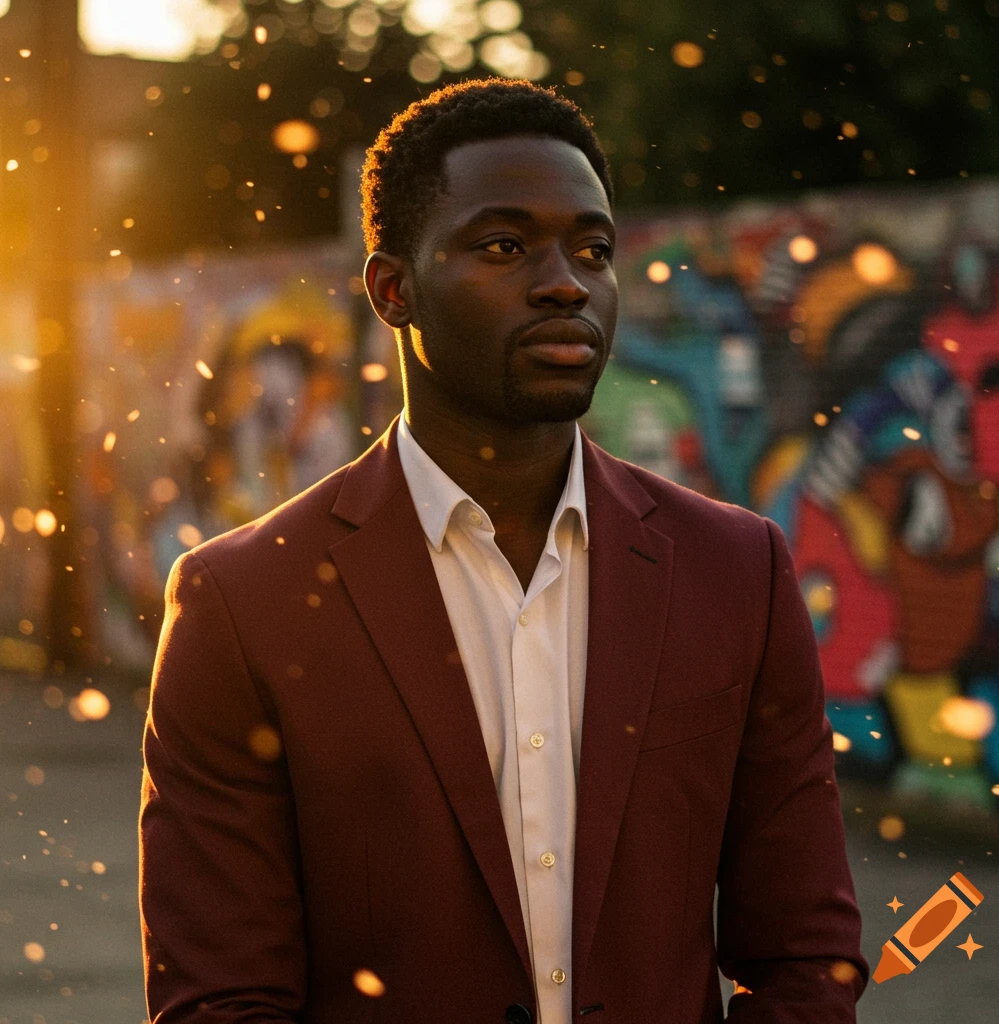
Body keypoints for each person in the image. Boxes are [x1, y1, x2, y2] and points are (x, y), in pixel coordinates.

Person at [139, 78, 868, 1024]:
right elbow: (222, 999)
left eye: (593, 249)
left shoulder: (738, 573)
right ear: (393, 290)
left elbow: (804, 958)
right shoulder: (245, 601)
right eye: (504, 245)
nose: (567, 280)